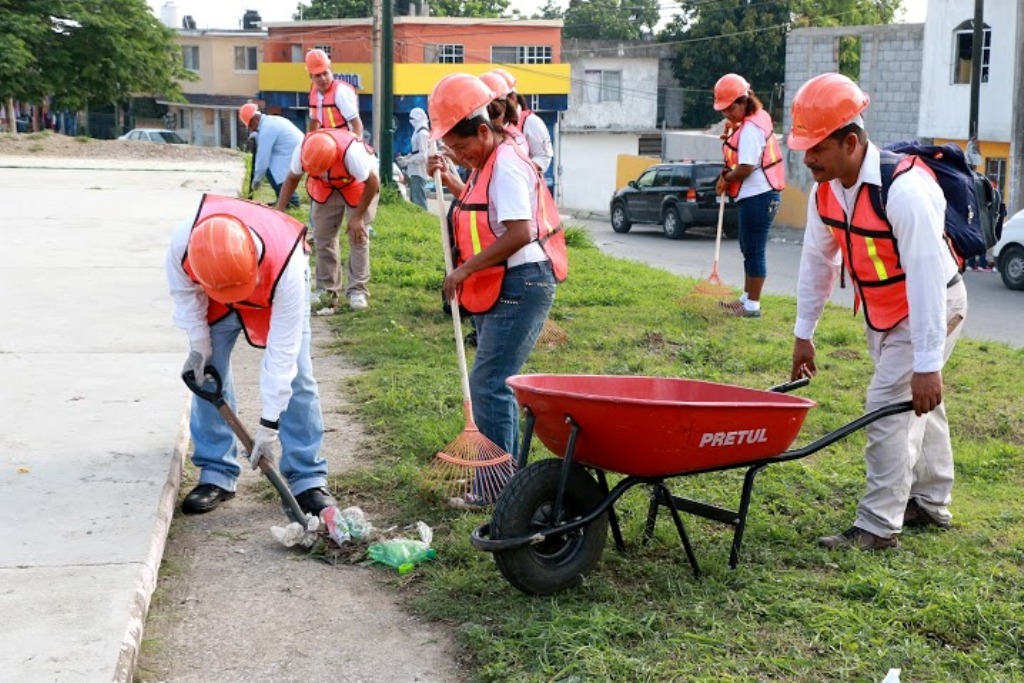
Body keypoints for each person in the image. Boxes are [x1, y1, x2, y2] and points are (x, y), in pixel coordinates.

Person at [786, 73, 968, 551]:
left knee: (887, 408)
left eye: (816, 149)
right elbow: (816, 262)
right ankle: (930, 500)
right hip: (884, 313)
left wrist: (928, 364)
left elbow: (928, 281)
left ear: (850, 141)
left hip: (934, 304)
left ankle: (879, 526)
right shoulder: (825, 191)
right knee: (917, 402)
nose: (807, 160)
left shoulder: (905, 191)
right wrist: (804, 333)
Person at [426, 73, 567, 507]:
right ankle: (503, 482)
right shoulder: (488, 161)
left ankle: (498, 486)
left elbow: (520, 231)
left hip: (522, 282)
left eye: (461, 147)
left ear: (484, 130)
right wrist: (451, 177)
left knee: (488, 381)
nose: (459, 155)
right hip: (500, 282)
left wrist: (463, 270)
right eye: (450, 149)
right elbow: (479, 209)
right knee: (492, 379)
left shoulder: (504, 162)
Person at [166, 194, 337, 516]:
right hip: (212, 298)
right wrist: (199, 348)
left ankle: (306, 478)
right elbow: (186, 299)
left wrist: (268, 425)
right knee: (208, 374)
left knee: (298, 378)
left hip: (270, 292)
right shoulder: (182, 245)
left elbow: (282, 354)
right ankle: (216, 472)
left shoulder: (288, 261)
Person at [277, 128, 380, 313]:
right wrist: (278, 212)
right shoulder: (302, 151)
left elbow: (372, 182)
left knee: (358, 236)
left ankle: (357, 291)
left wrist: (357, 218)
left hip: (357, 184)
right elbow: (292, 179)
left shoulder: (352, 154)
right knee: (322, 235)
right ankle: (326, 289)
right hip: (326, 187)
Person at [713, 73, 785, 319]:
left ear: (744, 101)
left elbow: (746, 167)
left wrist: (725, 178)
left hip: (760, 196)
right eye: (722, 111)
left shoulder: (752, 129)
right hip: (753, 196)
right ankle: (745, 299)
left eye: (730, 108)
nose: (726, 114)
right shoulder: (750, 122)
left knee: (754, 250)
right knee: (747, 247)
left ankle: (752, 305)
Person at [490, 67, 553, 175]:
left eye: (497, 103)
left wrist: (518, 173)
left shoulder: (531, 122)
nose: (493, 109)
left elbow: (543, 157)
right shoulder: (491, 124)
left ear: (513, 98)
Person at [239, 103, 302, 208]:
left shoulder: (267, 128)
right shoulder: (270, 122)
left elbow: (262, 158)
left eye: (250, 126)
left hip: (291, 153)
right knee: (275, 169)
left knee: (270, 169)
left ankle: (291, 201)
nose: (251, 129)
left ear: (255, 120)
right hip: (293, 150)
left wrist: (257, 180)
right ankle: (282, 199)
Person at [305, 49, 363, 137]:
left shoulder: (340, 91)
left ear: (330, 70)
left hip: (345, 140)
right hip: (325, 141)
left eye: (325, 73)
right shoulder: (314, 92)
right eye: (318, 75)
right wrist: (309, 139)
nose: (323, 79)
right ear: (311, 76)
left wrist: (353, 146)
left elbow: (356, 125)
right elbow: (313, 121)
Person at [398, 107, 430, 209]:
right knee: (415, 200)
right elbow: (415, 152)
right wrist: (406, 158)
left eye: (413, 119)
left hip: (419, 172)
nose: (411, 121)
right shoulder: (418, 131)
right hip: (415, 171)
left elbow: (423, 155)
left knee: (419, 201)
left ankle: (424, 222)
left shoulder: (422, 133)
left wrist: (408, 161)